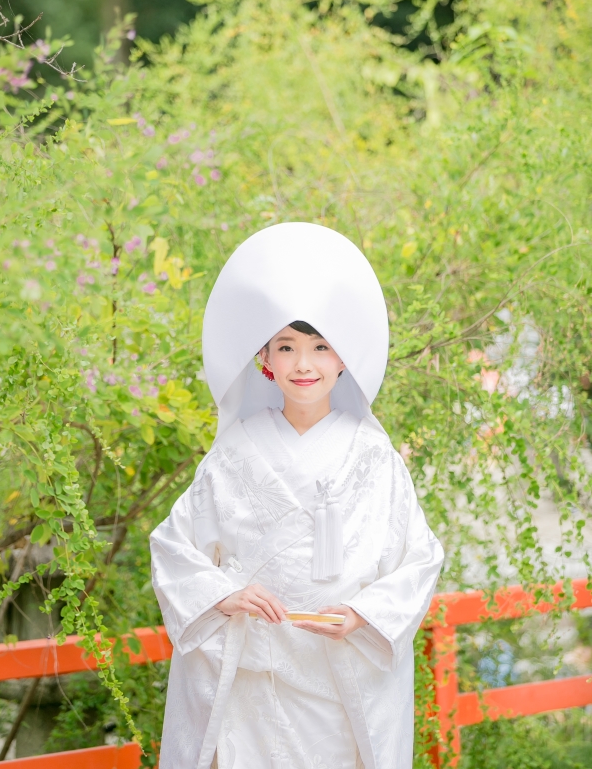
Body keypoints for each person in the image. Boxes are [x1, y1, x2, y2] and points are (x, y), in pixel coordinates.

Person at [150, 222, 444, 769]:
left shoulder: (374, 458)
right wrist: (222, 594)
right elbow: (173, 545)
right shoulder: (234, 452)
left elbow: (420, 557)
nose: (303, 364)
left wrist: (364, 613)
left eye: (319, 347)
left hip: (338, 675)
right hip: (251, 680)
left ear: (342, 359)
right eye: (286, 347)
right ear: (265, 358)